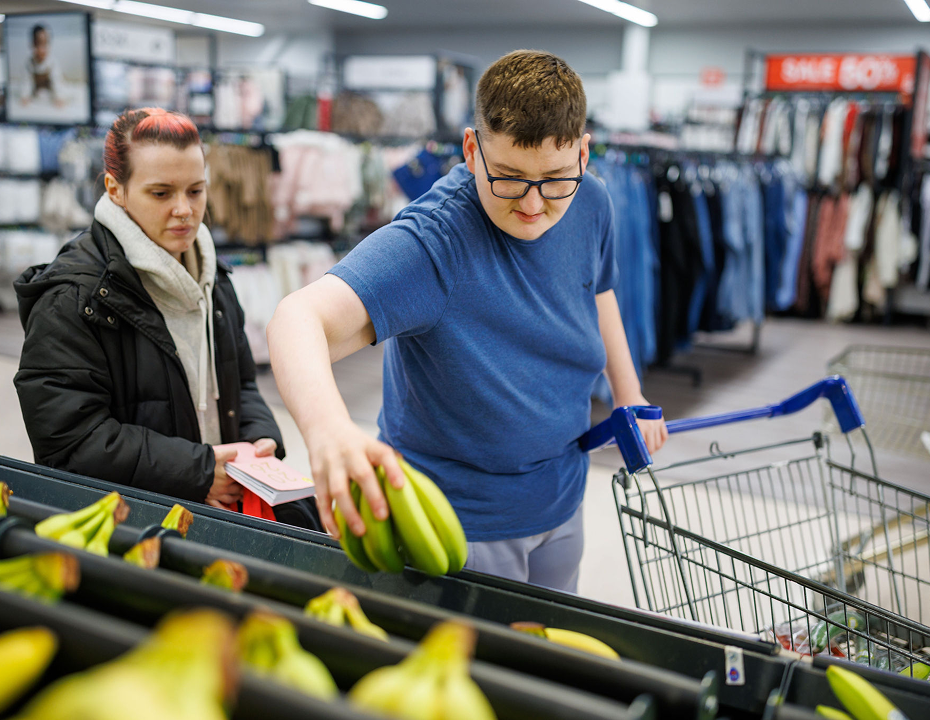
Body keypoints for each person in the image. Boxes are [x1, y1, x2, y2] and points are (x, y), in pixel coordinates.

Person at [267, 50, 667, 591]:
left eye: (554, 179)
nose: (532, 204)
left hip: (563, 496)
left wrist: (629, 393)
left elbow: (600, 290)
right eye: (508, 177)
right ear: (471, 149)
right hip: (458, 524)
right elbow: (297, 318)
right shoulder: (434, 242)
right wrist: (329, 431)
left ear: (583, 154)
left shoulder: (591, 201)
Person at [15, 107, 315, 526]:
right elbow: (69, 442)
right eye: (161, 193)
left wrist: (260, 439)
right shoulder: (74, 297)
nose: (184, 210)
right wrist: (196, 471)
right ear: (115, 189)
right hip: (136, 526)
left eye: (195, 191)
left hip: (222, 506)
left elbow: (240, 382)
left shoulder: (214, 275)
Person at [22, 24, 66, 108]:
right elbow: (26, 82)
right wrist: (25, 96)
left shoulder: (52, 62)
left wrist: (59, 97)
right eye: (39, 44)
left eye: (45, 44)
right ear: (33, 45)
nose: (42, 49)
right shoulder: (29, 63)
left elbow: (57, 81)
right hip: (36, 92)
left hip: (50, 92)